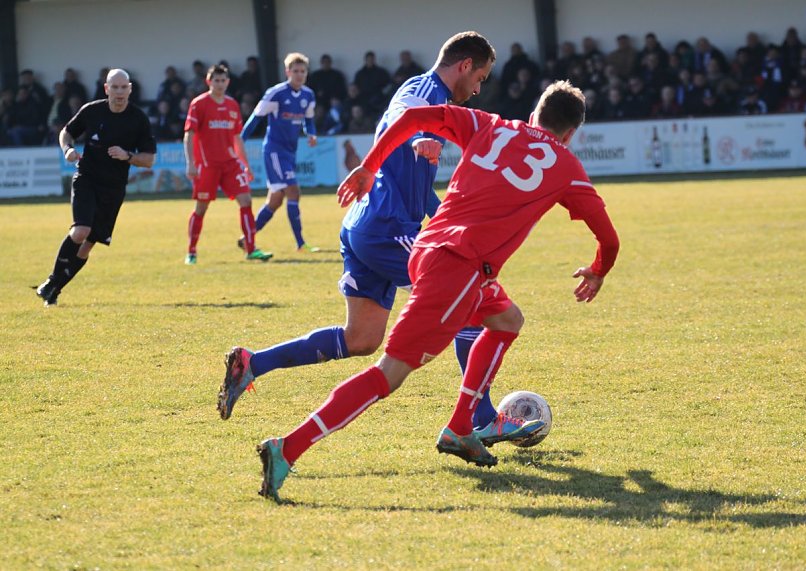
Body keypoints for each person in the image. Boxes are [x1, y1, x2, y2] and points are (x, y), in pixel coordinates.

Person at [252, 80, 620, 503]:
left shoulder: (490, 124)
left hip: (429, 248)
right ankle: (287, 448)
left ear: (535, 113)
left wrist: (370, 165)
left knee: (507, 320)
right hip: (458, 270)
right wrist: (596, 271)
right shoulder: (567, 166)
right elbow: (609, 240)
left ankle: (461, 426)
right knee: (388, 374)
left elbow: (411, 118)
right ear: (572, 133)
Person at [218, 32, 530, 457]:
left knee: (362, 337)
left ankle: (252, 363)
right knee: (474, 306)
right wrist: (420, 136)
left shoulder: (432, 100)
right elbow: (405, 112)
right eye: (480, 77)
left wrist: (451, 218)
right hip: (386, 227)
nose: (478, 89)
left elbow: (421, 196)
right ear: (463, 66)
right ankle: (479, 418)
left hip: (370, 226)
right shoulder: (425, 92)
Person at [35, 69, 156, 307]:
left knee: (87, 246)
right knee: (80, 231)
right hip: (87, 178)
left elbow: (149, 159)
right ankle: (51, 281)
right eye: (115, 87)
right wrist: (67, 150)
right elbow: (66, 133)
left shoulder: (138, 118)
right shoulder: (92, 110)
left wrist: (127, 155)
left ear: (130, 89)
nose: (120, 92)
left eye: (124, 87)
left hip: (113, 188)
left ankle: (54, 290)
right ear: (106, 88)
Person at [183, 64, 271, 264]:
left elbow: (237, 138)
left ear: (228, 82)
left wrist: (245, 165)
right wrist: (191, 163)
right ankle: (192, 251)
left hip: (230, 164)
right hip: (207, 165)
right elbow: (189, 135)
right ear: (209, 82)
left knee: (246, 200)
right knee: (201, 208)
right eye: (216, 81)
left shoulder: (232, 105)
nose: (220, 84)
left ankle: (251, 249)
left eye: (223, 81)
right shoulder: (199, 104)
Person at [239, 52, 319, 253]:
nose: (299, 75)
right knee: (294, 191)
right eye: (295, 71)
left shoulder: (308, 95)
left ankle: (247, 238)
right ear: (287, 72)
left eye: (303, 71)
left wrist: (311, 133)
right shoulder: (276, 94)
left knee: (274, 201)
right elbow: (256, 118)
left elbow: (308, 120)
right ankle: (301, 243)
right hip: (275, 150)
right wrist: (240, 140)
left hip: (290, 151)